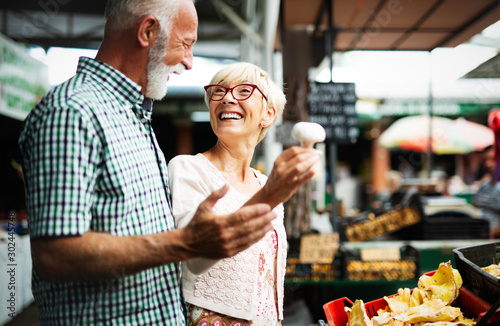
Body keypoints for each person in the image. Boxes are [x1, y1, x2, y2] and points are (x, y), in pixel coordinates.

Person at [18, 1, 319, 324]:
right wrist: (183, 242)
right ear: (148, 31)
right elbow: (54, 255)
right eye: (186, 44)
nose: (189, 62)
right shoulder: (72, 112)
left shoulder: (132, 117)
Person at [168, 62, 321, 325]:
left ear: (268, 114)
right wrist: (272, 194)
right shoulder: (188, 169)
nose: (227, 97)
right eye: (218, 91)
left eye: (243, 91)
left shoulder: (263, 183)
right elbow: (193, 258)